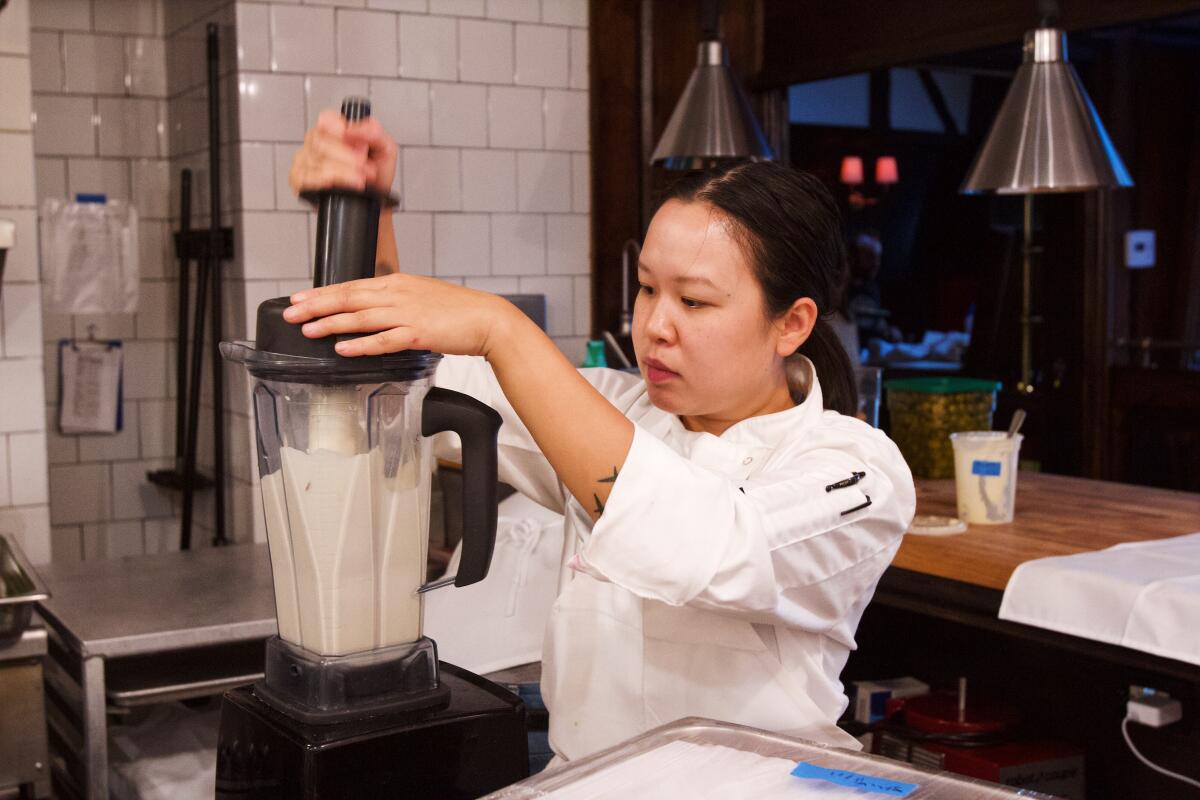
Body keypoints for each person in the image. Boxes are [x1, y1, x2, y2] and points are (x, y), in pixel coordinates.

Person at [286, 111, 916, 761]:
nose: (655, 327)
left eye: (693, 301)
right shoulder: (618, 408)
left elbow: (703, 546)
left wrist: (504, 330)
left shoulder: (856, 469)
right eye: (646, 289)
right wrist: (367, 209)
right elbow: (410, 380)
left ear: (792, 324)